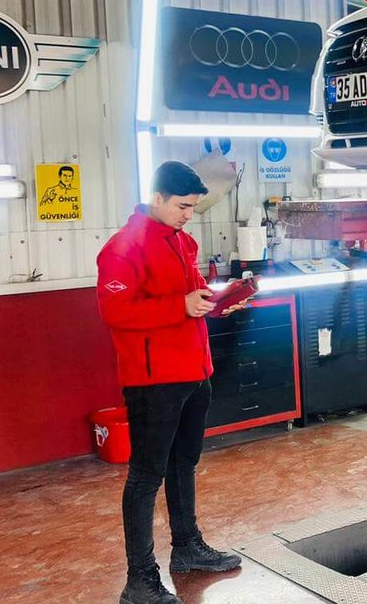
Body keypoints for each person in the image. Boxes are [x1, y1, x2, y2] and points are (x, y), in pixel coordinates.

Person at [96, 162, 246, 604]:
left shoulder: (183, 241)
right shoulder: (122, 249)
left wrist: (219, 302)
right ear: (157, 197)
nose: (187, 215)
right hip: (154, 380)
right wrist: (180, 305)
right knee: (146, 476)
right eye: (182, 206)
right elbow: (115, 312)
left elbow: (194, 293)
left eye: (193, 207)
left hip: (195, 373)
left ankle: (187, 548)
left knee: (184, 463)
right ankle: (140, 579)